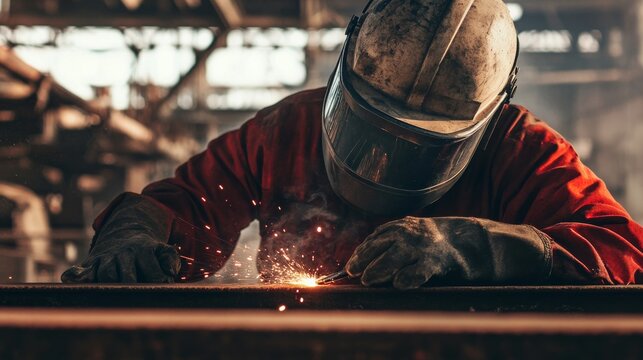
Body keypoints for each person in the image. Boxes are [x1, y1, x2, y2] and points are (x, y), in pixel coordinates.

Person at [62, 0, 643, 287]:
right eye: (373, 131)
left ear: (484, 120)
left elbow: (623, 252)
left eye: (419, 145)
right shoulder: (288, 129)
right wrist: (139, 229)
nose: (382, 165)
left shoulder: (521, 151)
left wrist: (477, 247)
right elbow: (186, 204)